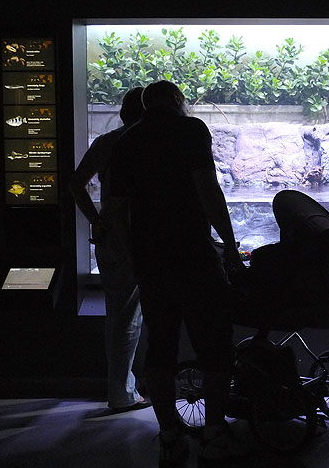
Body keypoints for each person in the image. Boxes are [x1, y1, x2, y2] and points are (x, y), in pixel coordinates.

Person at [109, 81, 246, 467]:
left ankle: (170, 436)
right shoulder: (191, 130)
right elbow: (209, 190)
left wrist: (132, 257)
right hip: (194, 255)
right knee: (215, 346)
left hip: (151, 261)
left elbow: (115, 209)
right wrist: (230, 247)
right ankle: (214, 434)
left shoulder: (126, 141)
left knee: (161, 347)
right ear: (175, 101)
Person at [69, 86, 149, 412]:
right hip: (134, 237)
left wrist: (95, 221)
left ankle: (124, 385)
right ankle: (122, 393)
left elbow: (76, 183)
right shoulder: (146, 143)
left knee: (119, 313)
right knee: (128, 318)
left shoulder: (106, 142)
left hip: (109, 237)